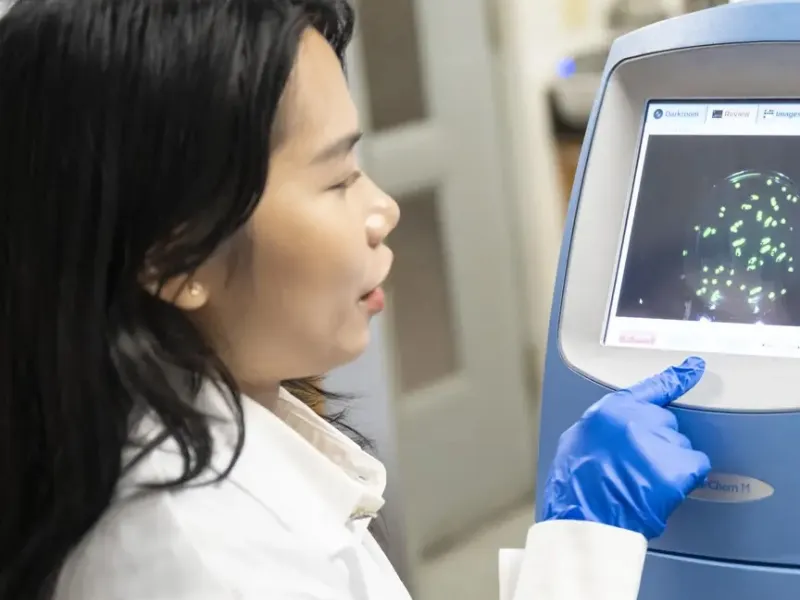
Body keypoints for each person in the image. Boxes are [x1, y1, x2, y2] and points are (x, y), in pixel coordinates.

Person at [0, 0, 710, 598]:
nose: (384, 209)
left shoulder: (163, 434)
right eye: (338, 179)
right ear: (172, 255)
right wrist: (582, 551)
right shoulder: (198, 558)